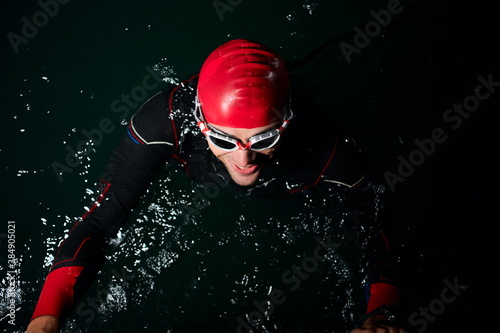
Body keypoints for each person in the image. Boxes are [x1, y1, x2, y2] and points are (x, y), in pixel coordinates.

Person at [27, 39, 406, 332]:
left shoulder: (330, 151)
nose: (244, 160)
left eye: (263, 140)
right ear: (201, 125)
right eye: (225, 141)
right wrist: (44, 320)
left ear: (286, 125)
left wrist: (380, 315)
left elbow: (378, 229)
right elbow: (99, 222)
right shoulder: (165, 122)